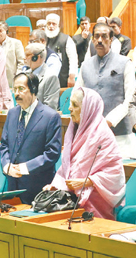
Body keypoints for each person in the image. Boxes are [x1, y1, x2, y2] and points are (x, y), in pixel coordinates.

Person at [46, 88, 125, 220]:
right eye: (70, 104)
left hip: (95, 199)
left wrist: (87, 182)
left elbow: (116, 173)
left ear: (89, 109)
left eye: (75, 105)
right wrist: (56, 185)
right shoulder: (74, 130)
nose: (70, 109)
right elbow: (67, 166)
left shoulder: (103, 135)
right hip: (72, 199)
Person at [75, 23, 136, 158]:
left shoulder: (125, 63)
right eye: (96, 36)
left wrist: (109, 121)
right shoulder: (85, 66)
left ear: (111, 40)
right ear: (92, 40)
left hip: (120, 136)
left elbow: (130, 99)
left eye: (104, 36)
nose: (99, 40)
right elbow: (77, 97)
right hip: (91, 136)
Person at [0, 72, 62, 204]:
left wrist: (25, 168)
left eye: (21, 89)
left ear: (33, 89)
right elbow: (4, 145)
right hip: (12, 187)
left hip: (37, 189)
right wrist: (6, 165)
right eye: (14, 89)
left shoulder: (50, 117)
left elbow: (52, 153)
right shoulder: (12, 113)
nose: (16, 93)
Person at [45, 13, 78, 87]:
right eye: (49, 23)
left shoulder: (66, 39)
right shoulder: (43, 39)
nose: (51, 26)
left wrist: (72, 77)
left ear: (58, 25)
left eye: (54, 24)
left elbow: (73, 59)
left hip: (62, 78)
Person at [23, 43, 60, 110]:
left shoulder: (51, 77)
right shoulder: (24, 75)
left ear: (36, 57)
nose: (24, 58)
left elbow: (50, 107)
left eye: (27, 55)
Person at [0, 22, 24, 88]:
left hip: (12, 81)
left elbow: (21, 62)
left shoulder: (16, 43)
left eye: (0, 30)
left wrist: (18, 77)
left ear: (6, 31)